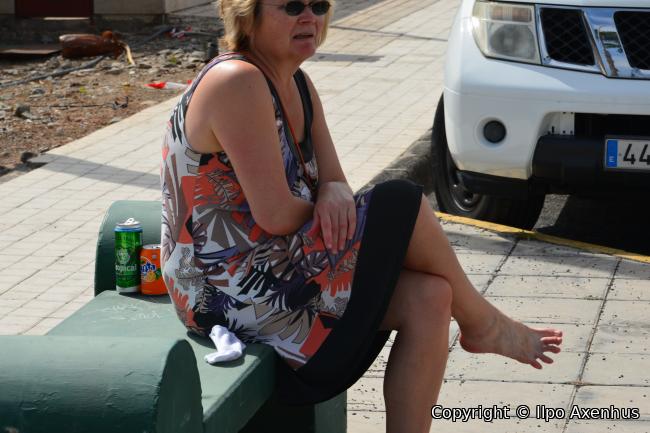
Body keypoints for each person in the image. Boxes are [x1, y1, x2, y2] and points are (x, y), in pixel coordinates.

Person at [160, 0, 563, 431]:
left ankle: (470, 331)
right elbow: (276, 213)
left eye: (318, 5)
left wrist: (334, 192)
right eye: (292, 6)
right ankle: (481, 322)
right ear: (247, 13)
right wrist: (338, 204)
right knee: (401, 202)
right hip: (226, 294)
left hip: (280, 269)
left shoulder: (297, 84)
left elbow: (335, 182)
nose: (309, 17)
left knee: (430, 298)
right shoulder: (236, 81)